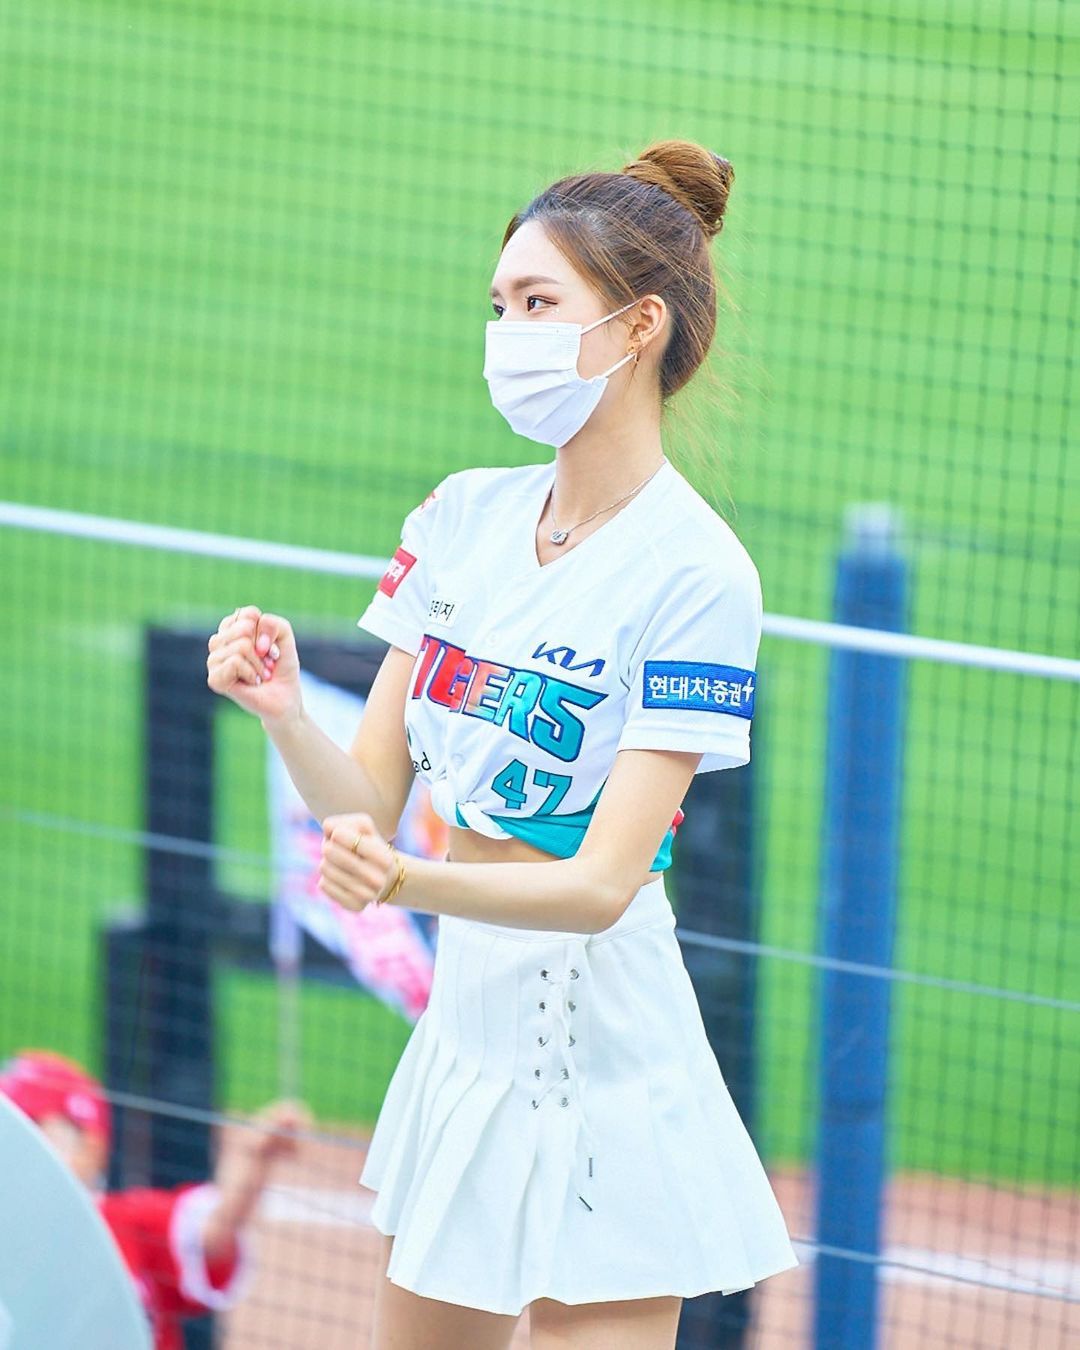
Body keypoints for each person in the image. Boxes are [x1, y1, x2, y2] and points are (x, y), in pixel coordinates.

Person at [206, 136, 798, 1350]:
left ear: (637, 328)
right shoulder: (460, 516)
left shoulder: (700, 575)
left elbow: (599, 885)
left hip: (606, 1046)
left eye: (537, 303)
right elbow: (364, 801)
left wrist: (404, 883)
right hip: (467, 1038)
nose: (506, 334)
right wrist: (285, 713)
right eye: (499, 305)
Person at [0, 1048, 309, 1350]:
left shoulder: (126, 1219)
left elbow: (213, 1236)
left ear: (90, 1144)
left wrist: (254, 1156)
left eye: (35, 1129)